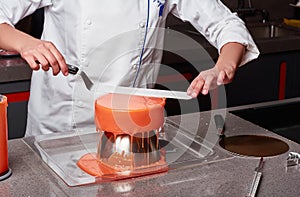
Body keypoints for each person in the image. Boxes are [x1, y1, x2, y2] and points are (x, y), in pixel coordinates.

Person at [0, 0, 259, 136]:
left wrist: (221, 66)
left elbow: (226, 24)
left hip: (134, 126)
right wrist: (25, 43)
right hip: (62, 125)